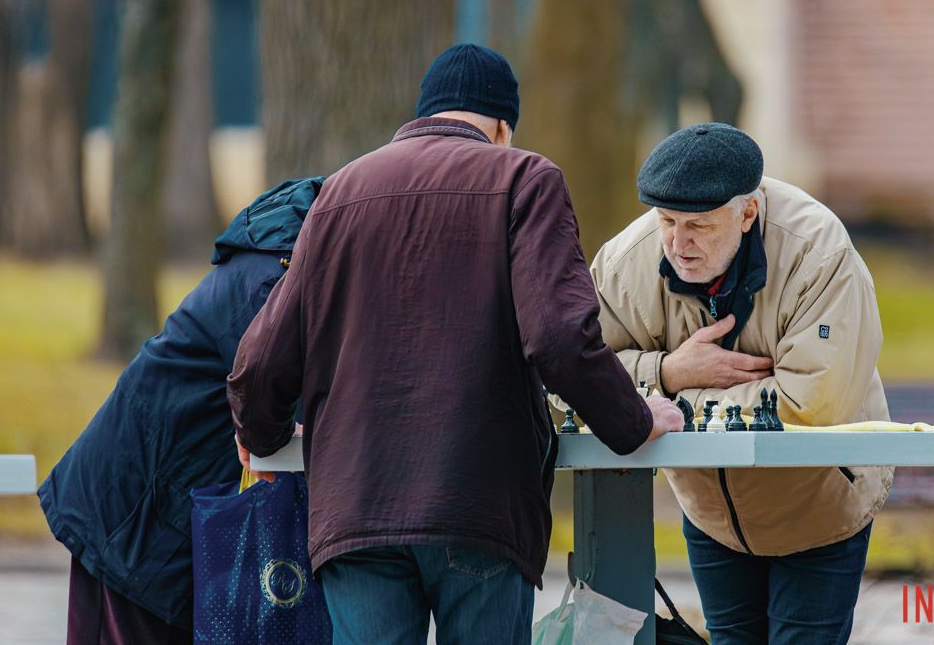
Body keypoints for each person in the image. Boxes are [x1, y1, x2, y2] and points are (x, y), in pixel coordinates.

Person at [227, 43, 683, 645]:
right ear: (501, 127)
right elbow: (558, 337)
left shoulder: (338, 193)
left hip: (355, 505)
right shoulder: (525, 177)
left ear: (420, 117)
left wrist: (262, 438)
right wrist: (632, 419)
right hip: (479, 502)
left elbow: (260, 361)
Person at [590, 123, 892, 645]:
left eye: (700, 227)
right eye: (666, 221)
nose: (678, 244)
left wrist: (669, 401)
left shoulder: (818, 254)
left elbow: (811, 404)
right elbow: (576, 379)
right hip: (712, 517)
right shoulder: (625, 265)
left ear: (747, 212)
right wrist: (667, 372)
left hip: (818, 507)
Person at [38, 177, 324, 644]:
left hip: (156, 503)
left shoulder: (284, 265)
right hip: (133, 517)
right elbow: (269, 402)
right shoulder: (271, 283)